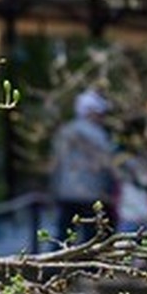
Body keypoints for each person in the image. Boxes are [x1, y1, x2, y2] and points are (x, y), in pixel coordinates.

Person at [49, 89, 116, 244]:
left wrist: (54, 190)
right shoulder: (99, 135)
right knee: (92, 241)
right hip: (93, 196)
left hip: (66, 194)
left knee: (62, 238)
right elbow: (108, 165)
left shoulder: (65, 131)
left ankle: (56, 267)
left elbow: (55, 164)